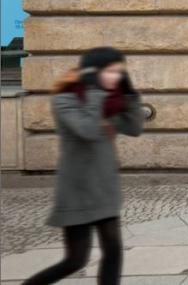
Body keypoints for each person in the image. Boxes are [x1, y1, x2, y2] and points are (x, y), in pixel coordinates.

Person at [24, 46, 144, 285]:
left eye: (120, 72)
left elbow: (134, 128)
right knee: (75, 260)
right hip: (77, 192)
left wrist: (131, 95)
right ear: (92, 72)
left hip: (104, 190)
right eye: (111, 71)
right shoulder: (65, 100)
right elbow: (87, 130)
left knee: (113, 251)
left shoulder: (111, 102)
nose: (117, 77)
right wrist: (94, 92)